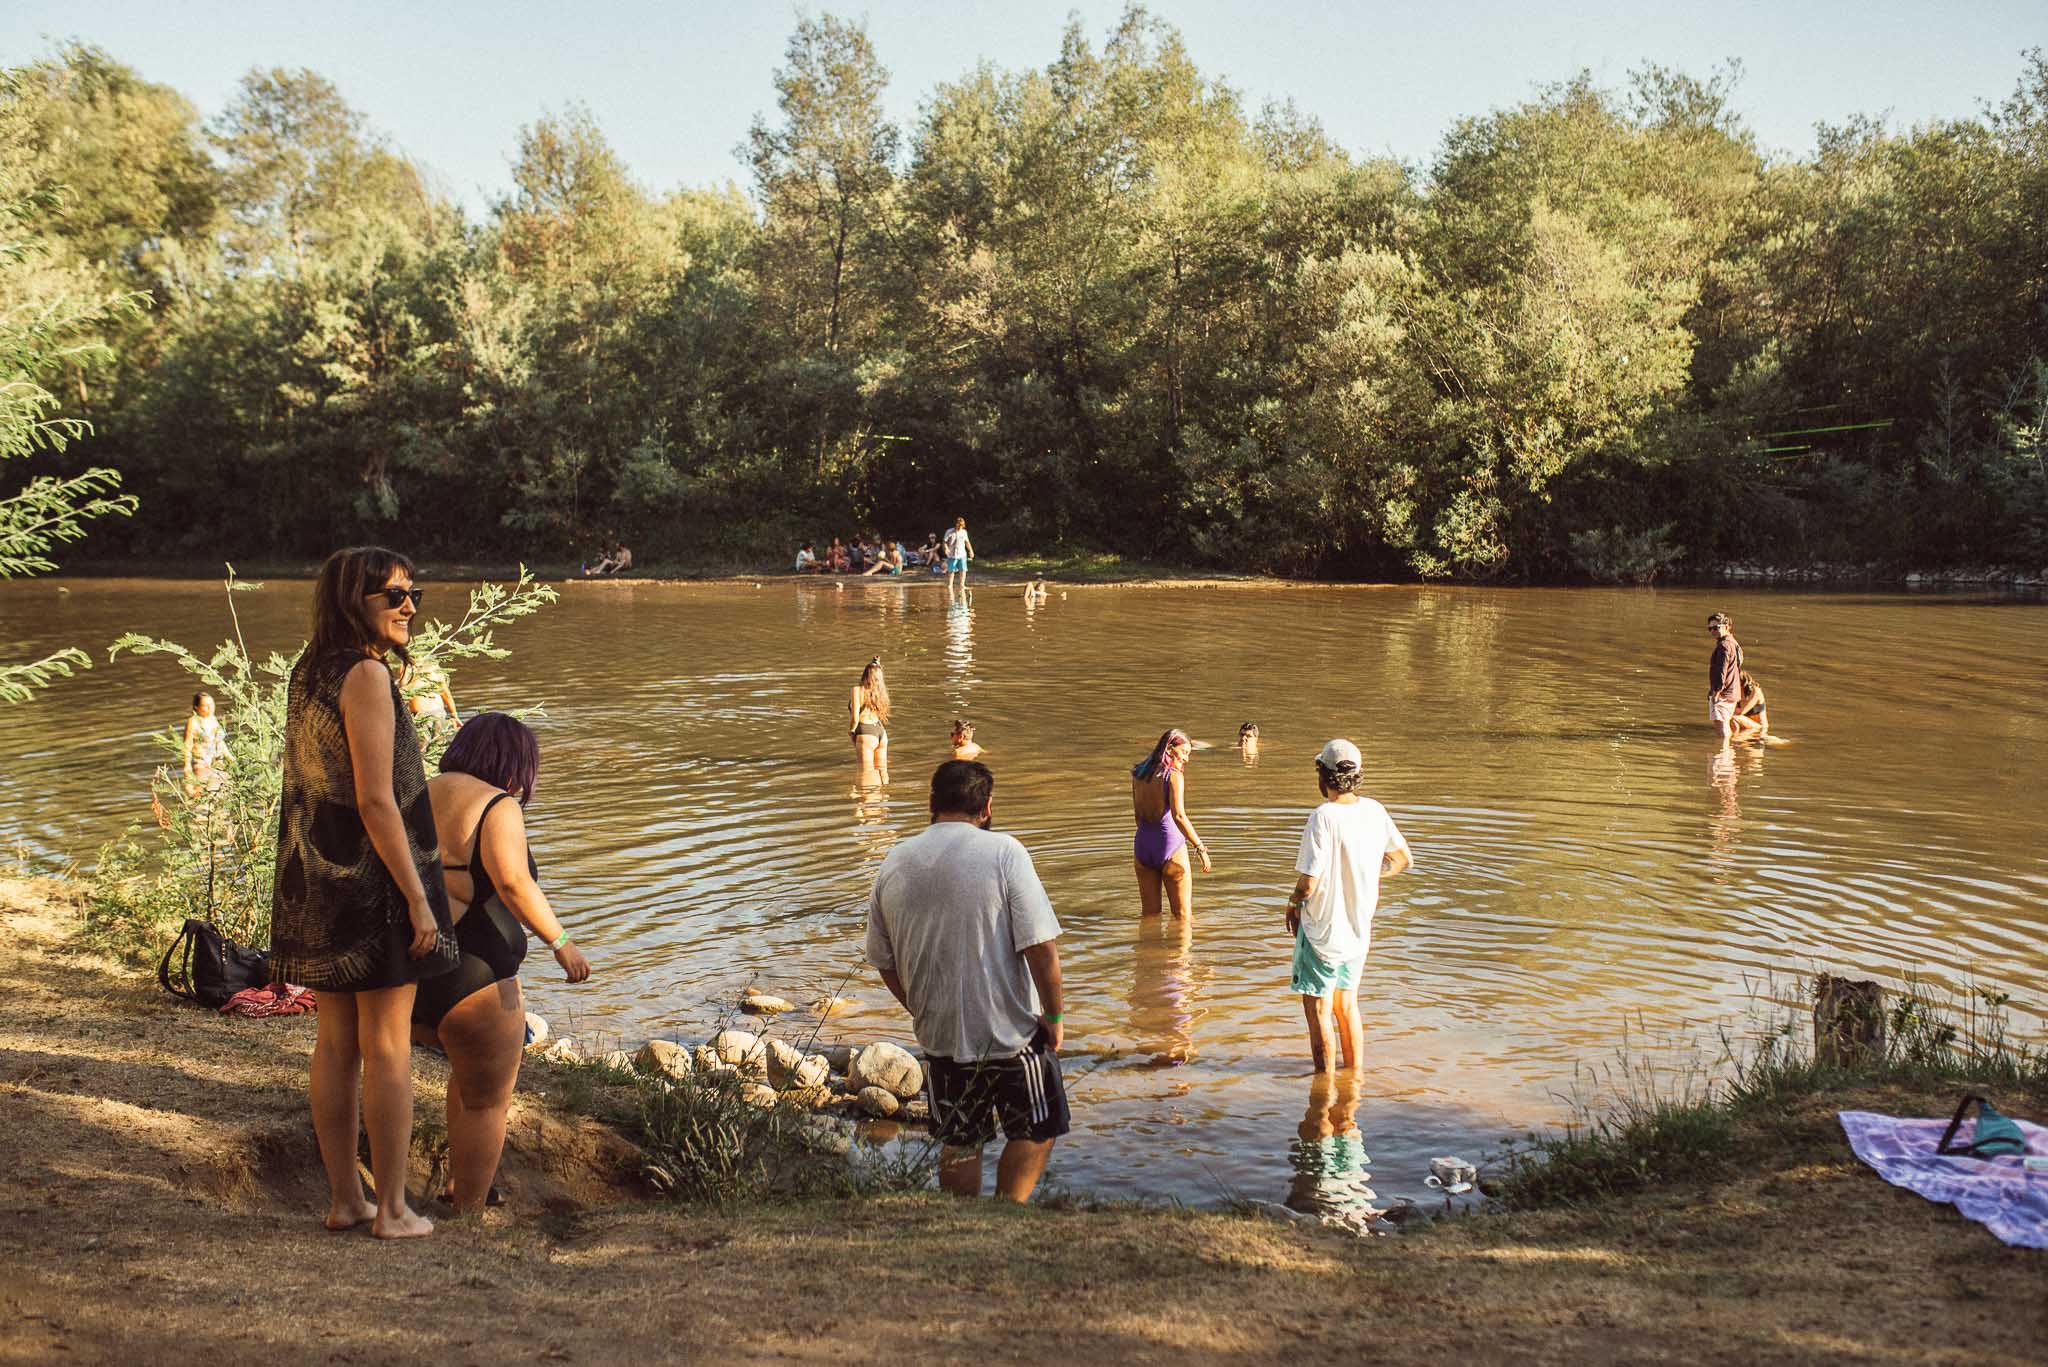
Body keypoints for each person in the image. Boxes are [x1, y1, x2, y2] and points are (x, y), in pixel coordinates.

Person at [270, 546, 459, 1239]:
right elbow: (378, 802)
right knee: (386, 1047)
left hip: (315, 880)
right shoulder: (367, 677)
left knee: (335, 1044)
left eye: (414, 592)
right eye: (395, 595)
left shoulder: (308, 670)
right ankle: (393, 1209)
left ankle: (346, 1199)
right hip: (374, 884)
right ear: (357, 603)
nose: (411, 605)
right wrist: (417, 897)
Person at [866, 760, 1069, 1202]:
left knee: (959, 1137)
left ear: (931, 803)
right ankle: (1006, 1213)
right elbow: (1041, 948)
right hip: (1011, 1032)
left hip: (940, 1035)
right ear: (988, 806)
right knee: (1037, 1128)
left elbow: (883, 960)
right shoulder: (1005, 853)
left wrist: (920, 1006)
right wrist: (1053, 1016)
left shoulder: (895, 860)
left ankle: (963, 1219)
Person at [413, 712, 591, 1213]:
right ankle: (467, 1207)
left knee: (465, 1078)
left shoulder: (420, 791)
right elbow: (513, 882)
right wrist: (562, 943)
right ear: (513, 765)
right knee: (487, 1099)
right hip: (477, 974)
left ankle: (457, 1180)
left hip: (412, 966)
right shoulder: (498, 805)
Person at [1283, 739, 1411, 1074]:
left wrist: (1293, 902)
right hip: (1358, 931)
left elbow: (1309, 882)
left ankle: (1322, 1092)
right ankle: (1353, 1083)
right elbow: (1401, 858)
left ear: (1322, 776)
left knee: (1320, 1013)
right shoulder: (1374, 811)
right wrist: (1368, 873)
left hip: (1322, 932)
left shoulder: (1322, 817)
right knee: (1348, 1006)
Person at [1130, 728, 1211, 918]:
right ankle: (1182, 949)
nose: (1186, 759)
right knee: (1183, 917)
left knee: (1149, 916)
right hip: (1170, 846)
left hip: (1142, 847)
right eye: (1184, 752)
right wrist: (1200, 848)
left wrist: (1150, 840)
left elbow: (1137, 816)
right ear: (1168, 750)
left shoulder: (1138, 774)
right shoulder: (1173, 776)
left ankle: (1148, 947)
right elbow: (1179, 816)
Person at [849, 657, 890, 781]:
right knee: (883, 771)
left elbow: (855, 718)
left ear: (865, 675)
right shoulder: (880, 693)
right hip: (881, 733)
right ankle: (883, 797)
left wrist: (851, 731)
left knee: (865, 773)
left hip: (865, 733)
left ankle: (864, 800)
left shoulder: (857, 690)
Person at [1706, 611, 1743, 745]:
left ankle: (1723, 755)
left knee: (1720, 726)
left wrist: (1716, 692)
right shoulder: (1733, 643)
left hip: (1723, 693)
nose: (1712, 631)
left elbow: (1722, 671)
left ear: (1727, 626)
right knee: (1724, 724)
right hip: (1732, 692)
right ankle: (1728, 756)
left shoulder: (1724, 646)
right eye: (1710, 628)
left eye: (1716, 628)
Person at [183, 691, 229, 795]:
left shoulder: (213, 720)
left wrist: (231, 760)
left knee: (224, 796)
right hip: (202, 764)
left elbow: (220, 742)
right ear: (196, 707)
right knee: (204, 796)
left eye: (212, 704)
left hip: (218, 763)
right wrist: (187, 767)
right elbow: (188, 744)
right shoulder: (193, 722)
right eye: (206, 705)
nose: (210, 708)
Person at [403, 659, 458, 727]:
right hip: (435, 712)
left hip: (423, 714)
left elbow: (403, 691)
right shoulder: (435, 671)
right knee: (438, 736)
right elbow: (447, 695)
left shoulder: (410, 671)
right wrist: (454, 715)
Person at [1730, 671, 1770, 739]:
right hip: (1744, 725)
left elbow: (1740, 712)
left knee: (1734, 718)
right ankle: (1734, 741)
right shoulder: (1735, 692)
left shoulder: (1755, 691)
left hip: (1759, 728)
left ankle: (1734, 740)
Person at [943, 517, 974, 596]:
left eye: (961, 526)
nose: (959, 527)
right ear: (956, 524)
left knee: (963, 570)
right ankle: (950, 585)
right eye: (958, 525)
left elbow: (967, 542)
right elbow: (944, 542)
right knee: (951, 570)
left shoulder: (964, 532)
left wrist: (970, 550)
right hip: (952, 555)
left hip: (962, 554)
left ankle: (962, 585)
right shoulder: (949, 531)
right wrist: (946, 548)